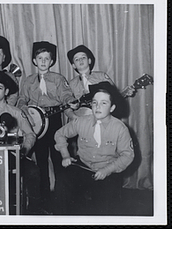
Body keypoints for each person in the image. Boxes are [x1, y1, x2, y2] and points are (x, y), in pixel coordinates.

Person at [54, 81, 135, 215]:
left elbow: (128, 155)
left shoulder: (120, 128)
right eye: (94, 102)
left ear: (112, 108)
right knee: (63, 182)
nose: (97, 107)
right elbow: (59, 134)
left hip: (108, 171)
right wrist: (65, 155)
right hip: (83, 166)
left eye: (104, 103)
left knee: (103, 206)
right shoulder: (81, 121)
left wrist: (107, 170)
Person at [0, 70, 45, 214]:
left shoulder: (16, 112)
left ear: (6, 91)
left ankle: (33, 213)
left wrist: (24, 149)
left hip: (12, 155)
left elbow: (30, 134)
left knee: (33, 172)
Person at [17, 41, 77, 210]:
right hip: (37, 123)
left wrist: (70, 101)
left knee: (60, 159)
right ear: (34, 61)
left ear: (51, 61)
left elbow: (66, 95)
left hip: (55, 119)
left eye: (47, 58)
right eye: (39, 58)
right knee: (41, 161)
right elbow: (22, 98)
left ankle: (61, 199)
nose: (43, 61)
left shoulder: (58, 79)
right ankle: (44, 200)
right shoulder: (28, 81)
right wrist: (23, 107)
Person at [67, 44, 135, 118]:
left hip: (102, 117)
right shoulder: (72, 83)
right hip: (81, 119)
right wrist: (73, 116)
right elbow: (67, 106)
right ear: (73, 65)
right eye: (76, 59)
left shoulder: (101, 76)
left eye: (83, 57)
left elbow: (114, 96)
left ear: (89, 60)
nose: (80, 60)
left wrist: (125, 92)